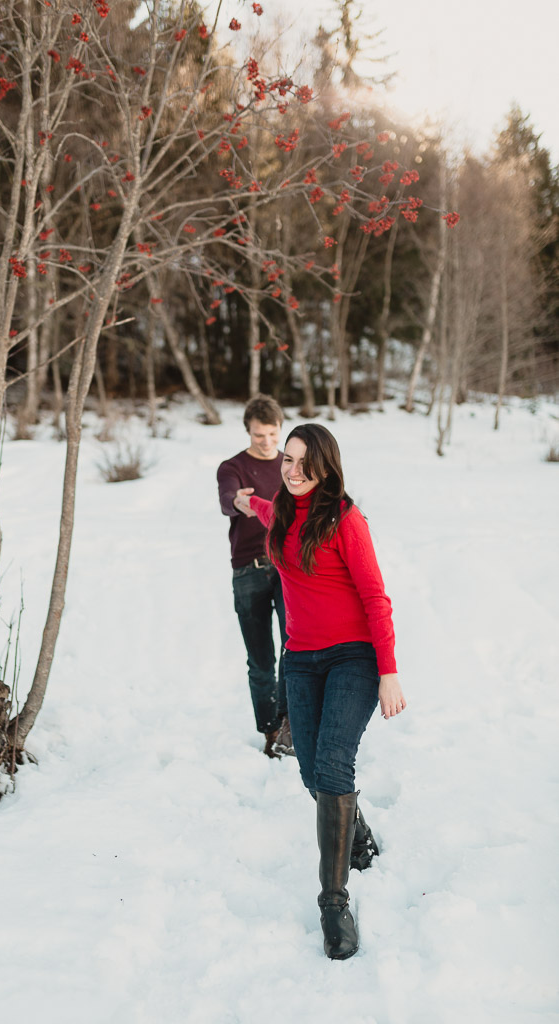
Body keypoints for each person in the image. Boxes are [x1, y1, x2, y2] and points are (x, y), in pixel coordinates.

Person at [234, 423, 406, 960]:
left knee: (333, 763)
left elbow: (376, 597)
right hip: (301, 661)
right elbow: (268, 511)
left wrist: (389, 670)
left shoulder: (345, 520)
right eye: (288, 459)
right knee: (310, 771)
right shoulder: (282, 511)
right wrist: (249, 501)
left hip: (354, 656)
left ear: (326, 467)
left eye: (304, 463)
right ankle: (354, 829)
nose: (293, 470)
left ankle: (334, 902)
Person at [216, 395, 294, 759]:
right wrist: (240, 502)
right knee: (260, 660)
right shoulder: (232, 466)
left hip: (287, 568)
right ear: (248, 430)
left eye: (272, 434)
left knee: (293, 649)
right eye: (259, 435)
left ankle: (290, 723)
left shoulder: (289, 466)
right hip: (248, 570)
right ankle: (270, 730)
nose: (267, 442)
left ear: (281, 429)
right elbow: (227, 498)